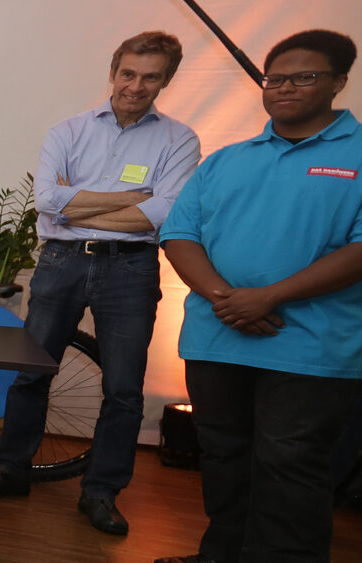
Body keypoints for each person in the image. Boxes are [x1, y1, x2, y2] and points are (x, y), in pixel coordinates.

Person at [0, 31, 201, 535]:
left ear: (167, 80)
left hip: (131, 269)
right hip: (61, 262)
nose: (136, 86)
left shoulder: (179, 140)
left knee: (124, 389)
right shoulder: (67, 131)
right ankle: (11, 471)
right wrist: (132, 198)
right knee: (31, 372)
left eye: (150, 77)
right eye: (128, 73)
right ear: (113, 72)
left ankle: (101, 492)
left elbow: (165, 210)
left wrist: (79, 207)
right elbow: (47, 201)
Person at [156, 29, 361, 563]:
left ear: (339, 81)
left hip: (309, 346)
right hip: (216, 337)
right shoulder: (226, 159)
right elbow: (179, 235)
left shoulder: (358, 155)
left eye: (304, 77)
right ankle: (220, 555)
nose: (284, 87)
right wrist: (227, 299)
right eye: (275, 79)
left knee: (290, 465)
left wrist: (268, 297)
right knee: (223, 457)